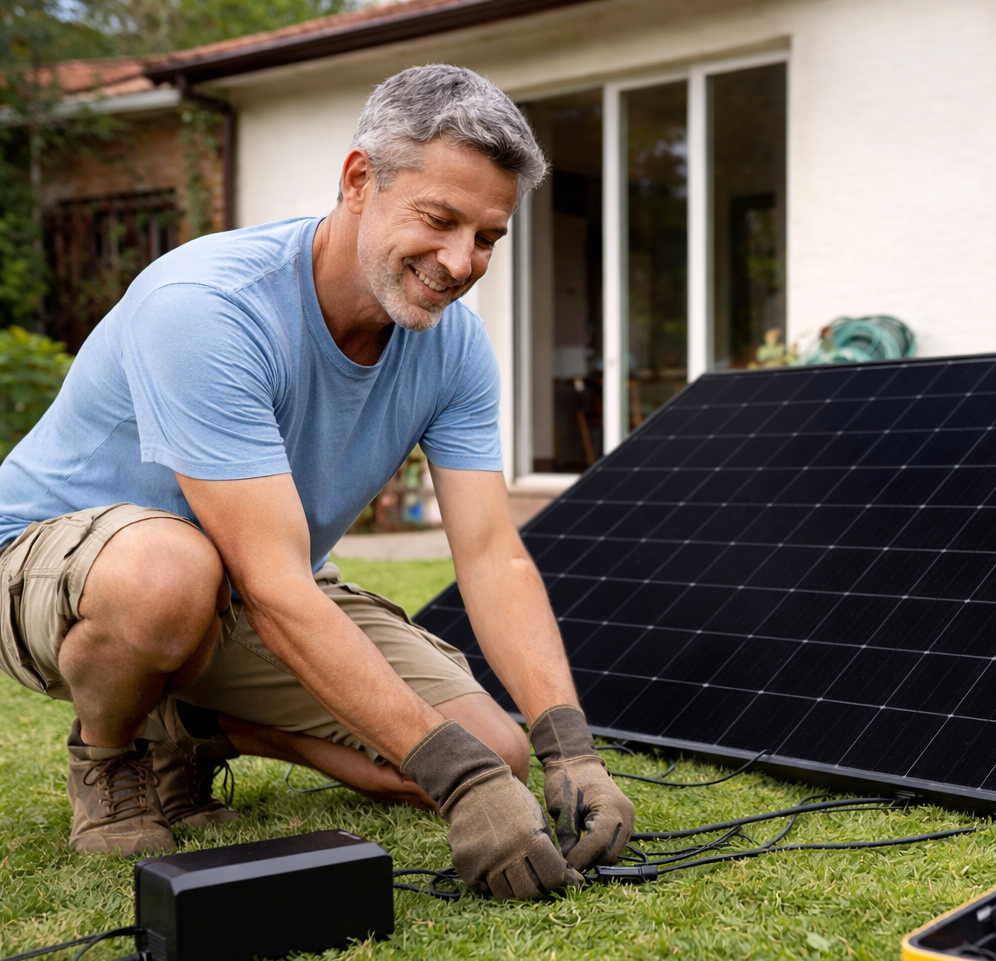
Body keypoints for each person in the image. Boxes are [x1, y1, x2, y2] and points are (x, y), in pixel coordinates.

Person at [0, 65, 633, 899]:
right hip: (67, 573)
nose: (460, 262)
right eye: (440, 220)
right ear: (359, 179)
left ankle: (195, 725)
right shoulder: (209, 306)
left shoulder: (455, 347)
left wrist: (565, 746)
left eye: (487, 237)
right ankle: (111, 759)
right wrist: (464, 790)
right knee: (171, 573)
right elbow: (272, 585)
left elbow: (490, 555)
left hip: (254, 582)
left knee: (494, 751)